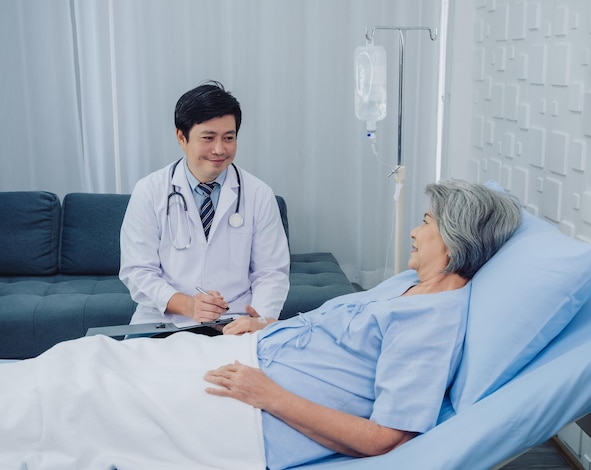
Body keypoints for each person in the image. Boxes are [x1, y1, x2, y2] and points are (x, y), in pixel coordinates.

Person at [0, 180, 521, 470]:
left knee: (82, 400)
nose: (413, 229)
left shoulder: (432, 320)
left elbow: (386, 440)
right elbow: (328, 329)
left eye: (426, 223)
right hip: (245, 354)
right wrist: (263, 331)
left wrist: (267, 394)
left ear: (453, 239)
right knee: (87, 360)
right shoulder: (404, 287)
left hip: (251, 411)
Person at [119, 81, 290, 327]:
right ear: (181, 136)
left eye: (228, 138)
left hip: (237, 319)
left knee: (241, 366)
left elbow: (271, 272)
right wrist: (187, 304)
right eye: (208, 138)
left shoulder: (259, 193)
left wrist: (260, 319)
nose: (219, 149)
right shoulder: (149, 191)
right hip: (163, 318)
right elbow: (137, 271)